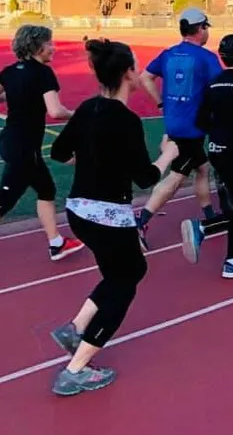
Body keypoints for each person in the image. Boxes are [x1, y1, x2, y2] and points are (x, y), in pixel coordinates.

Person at [49, 38, 178, 396]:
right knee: (128, 279)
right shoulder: (127, 121)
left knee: (118, 272)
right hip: (107, 215)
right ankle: (75, 369)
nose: (138, 74)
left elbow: (60, 152)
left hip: (78, 212)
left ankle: (74, 328)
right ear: (126, 74)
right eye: (134, 68)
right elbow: (145, 178)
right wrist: (168, 154)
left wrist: (92, 161)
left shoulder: (87, 108)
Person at [136, 8, 222, 249]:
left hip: (175, 122)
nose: (207, 33)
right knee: (176, 177)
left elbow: (145, 77)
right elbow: (220, 88)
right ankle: (140, 221)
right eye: (206, 28)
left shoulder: (168, 54)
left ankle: (208, 214)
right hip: (192, 127)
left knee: (202, 169)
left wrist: (161, 103)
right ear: (200, 29)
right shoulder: (206, 58)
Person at [180, 35, 233, 278]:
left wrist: (220, 130)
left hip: (217, 150)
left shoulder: (213, 83)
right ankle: (203, 228)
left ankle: (232, 260)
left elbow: (201, 120)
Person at [0, 24, 83, 261]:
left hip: (14, 142)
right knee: (5, 200)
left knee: (46, 190)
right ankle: (56, 243)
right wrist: (77, 114)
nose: (53, 48)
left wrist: (17, 94)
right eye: (49, 44)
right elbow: (55, 111)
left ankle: (56, 243)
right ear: (37, 46)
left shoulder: (9, 71)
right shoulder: (43, 73)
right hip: (23, 147)